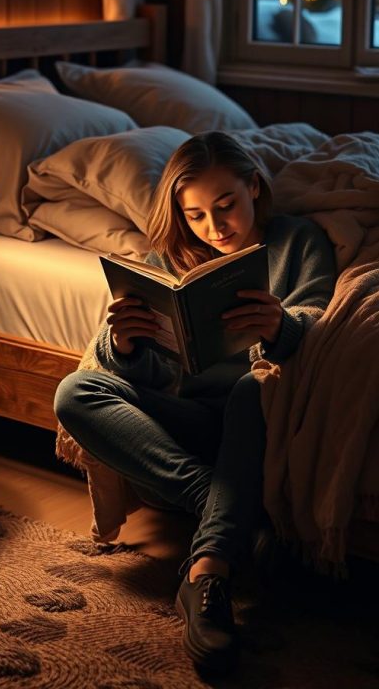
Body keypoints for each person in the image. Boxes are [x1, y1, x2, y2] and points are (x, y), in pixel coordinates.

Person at [54, 132, 336, 675]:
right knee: (75, 391)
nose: (215, 226)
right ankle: (229, 511)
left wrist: (282, 326)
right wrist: (128, 347)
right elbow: (155, 375)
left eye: (226, 205)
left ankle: (208, 569)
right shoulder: (167, 259)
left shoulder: (298, 241)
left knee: (253, 385)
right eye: (197, 215)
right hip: (193, 421)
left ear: (253, 185)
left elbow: (321, 326)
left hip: (259, 417)